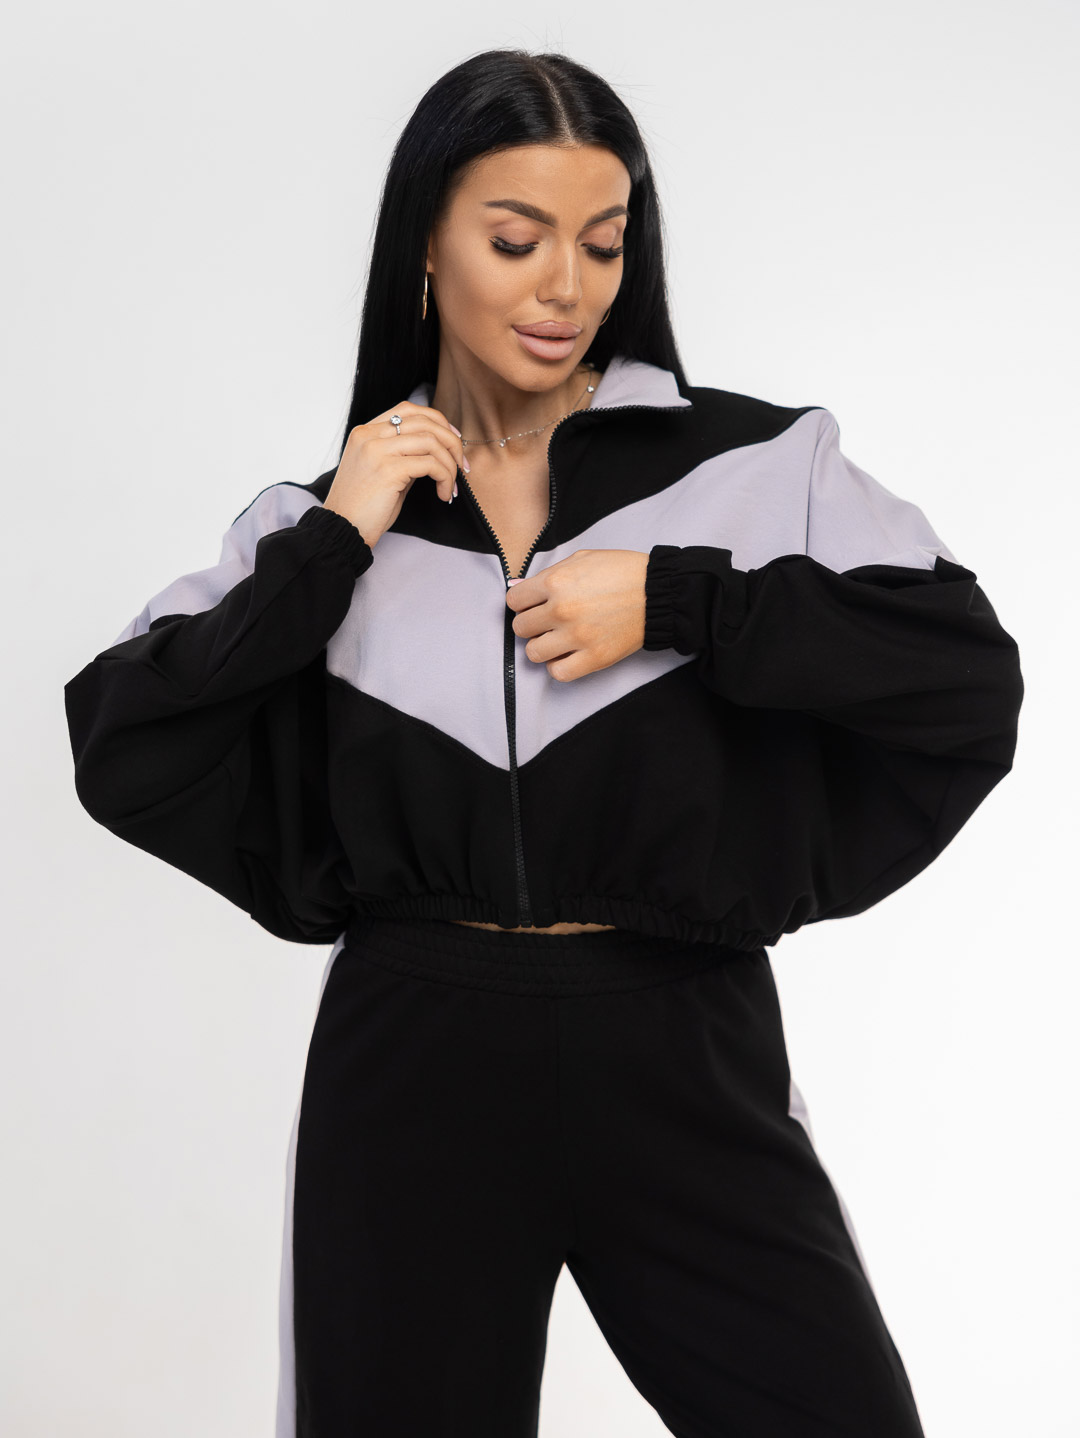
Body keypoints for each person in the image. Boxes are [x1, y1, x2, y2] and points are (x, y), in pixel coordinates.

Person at [63, 47, 1024, 1438]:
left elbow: (961, 676)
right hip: (415, 1061)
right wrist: (335, 541)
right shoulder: (319, 524)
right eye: (516, 241)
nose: (566, 287)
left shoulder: (764, 471)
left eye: (604, 243)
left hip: (680, 1039)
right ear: (426, 247)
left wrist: (684, 603)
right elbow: (124, 733)